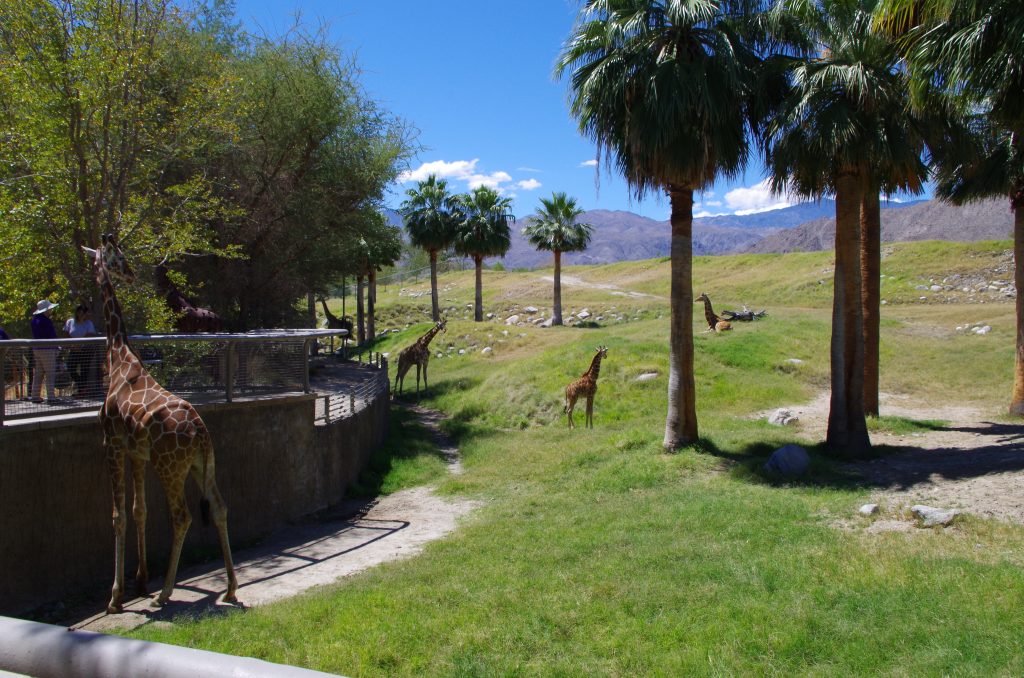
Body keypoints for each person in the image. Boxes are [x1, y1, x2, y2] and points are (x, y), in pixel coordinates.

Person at [64, 303, 100, 397]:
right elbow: (66, 334)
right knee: (70, 367)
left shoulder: (89, 323)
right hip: (73, 349)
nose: (83, 315)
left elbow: (90, 335)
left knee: (84, 370)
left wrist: (81, 345)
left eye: (84, 313)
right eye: (80, 312)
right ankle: (83, 386)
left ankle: (81, 391)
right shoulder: (70, 322)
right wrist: (72, 345)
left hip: (86, 350)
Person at [30, 299, 60, 404]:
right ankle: (51, 397)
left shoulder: (34, 320)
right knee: (50, 373)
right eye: (49, 309)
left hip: (37, 349)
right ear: (45, 310)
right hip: (48, 349)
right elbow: (51, 335)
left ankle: (35, 396)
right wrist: (57, 347)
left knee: (38, 373)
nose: (50, 311)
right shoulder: (46, 321)